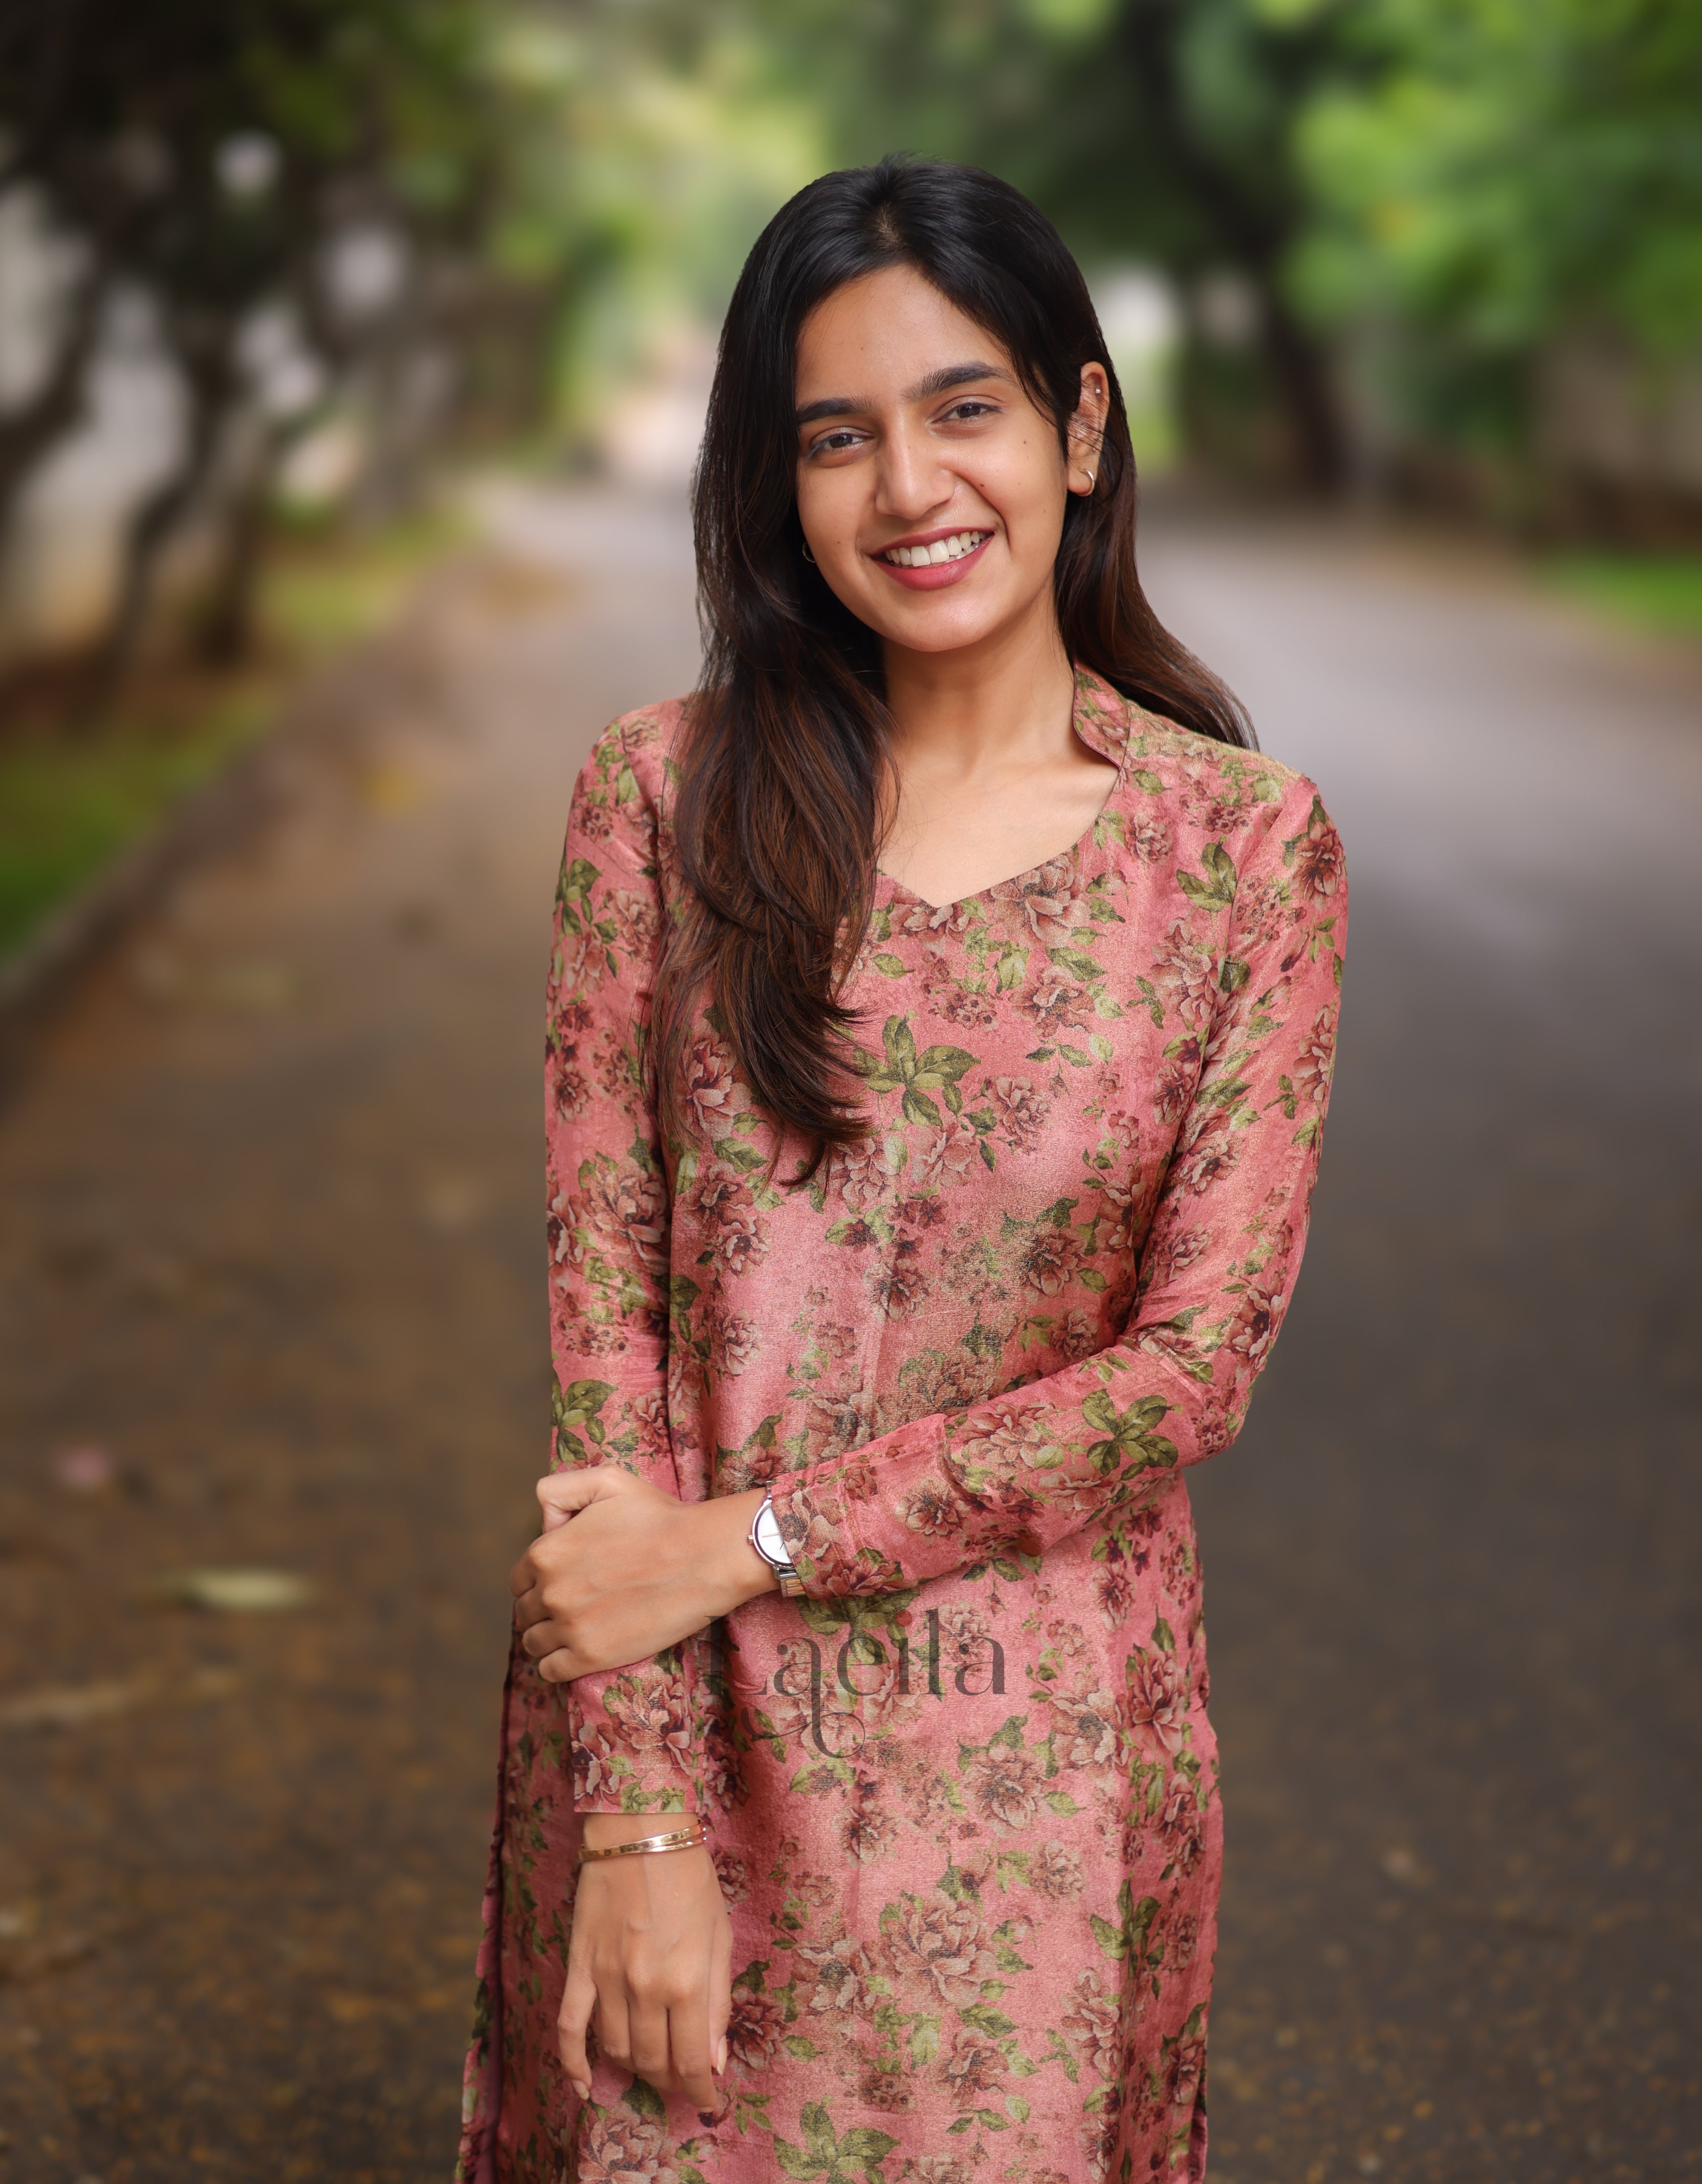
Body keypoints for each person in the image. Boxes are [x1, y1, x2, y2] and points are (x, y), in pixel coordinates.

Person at [456, 156, 1347, 2183]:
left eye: (966, 409)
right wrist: (642, 1815)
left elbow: (1186, 1370)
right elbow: (613, 1361)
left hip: (1038, 1777)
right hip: (682, 1745)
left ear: (1082, 428)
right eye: (834, 436)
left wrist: (747, 1533)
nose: (910, 488)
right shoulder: (661, 805)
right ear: (775, 484)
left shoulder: (1238, 853)